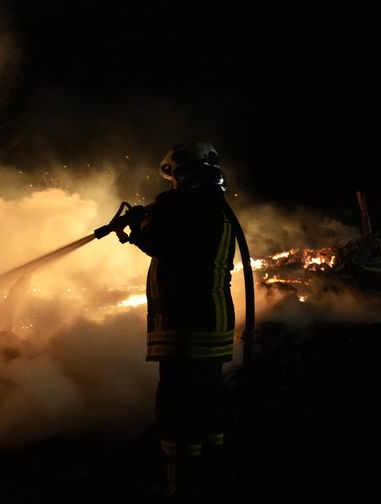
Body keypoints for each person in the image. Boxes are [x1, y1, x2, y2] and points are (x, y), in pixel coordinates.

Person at [105, 142, 236, 499]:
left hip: (186, 323)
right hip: (213, 322)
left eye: (174, 176)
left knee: (177, 406)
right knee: (207, 401)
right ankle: (210, 478)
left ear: (186, 172)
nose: (173, 184)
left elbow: (159, 241)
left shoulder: (189, 206)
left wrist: (137, 224)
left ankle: (180, 488)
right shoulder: (216, 207)